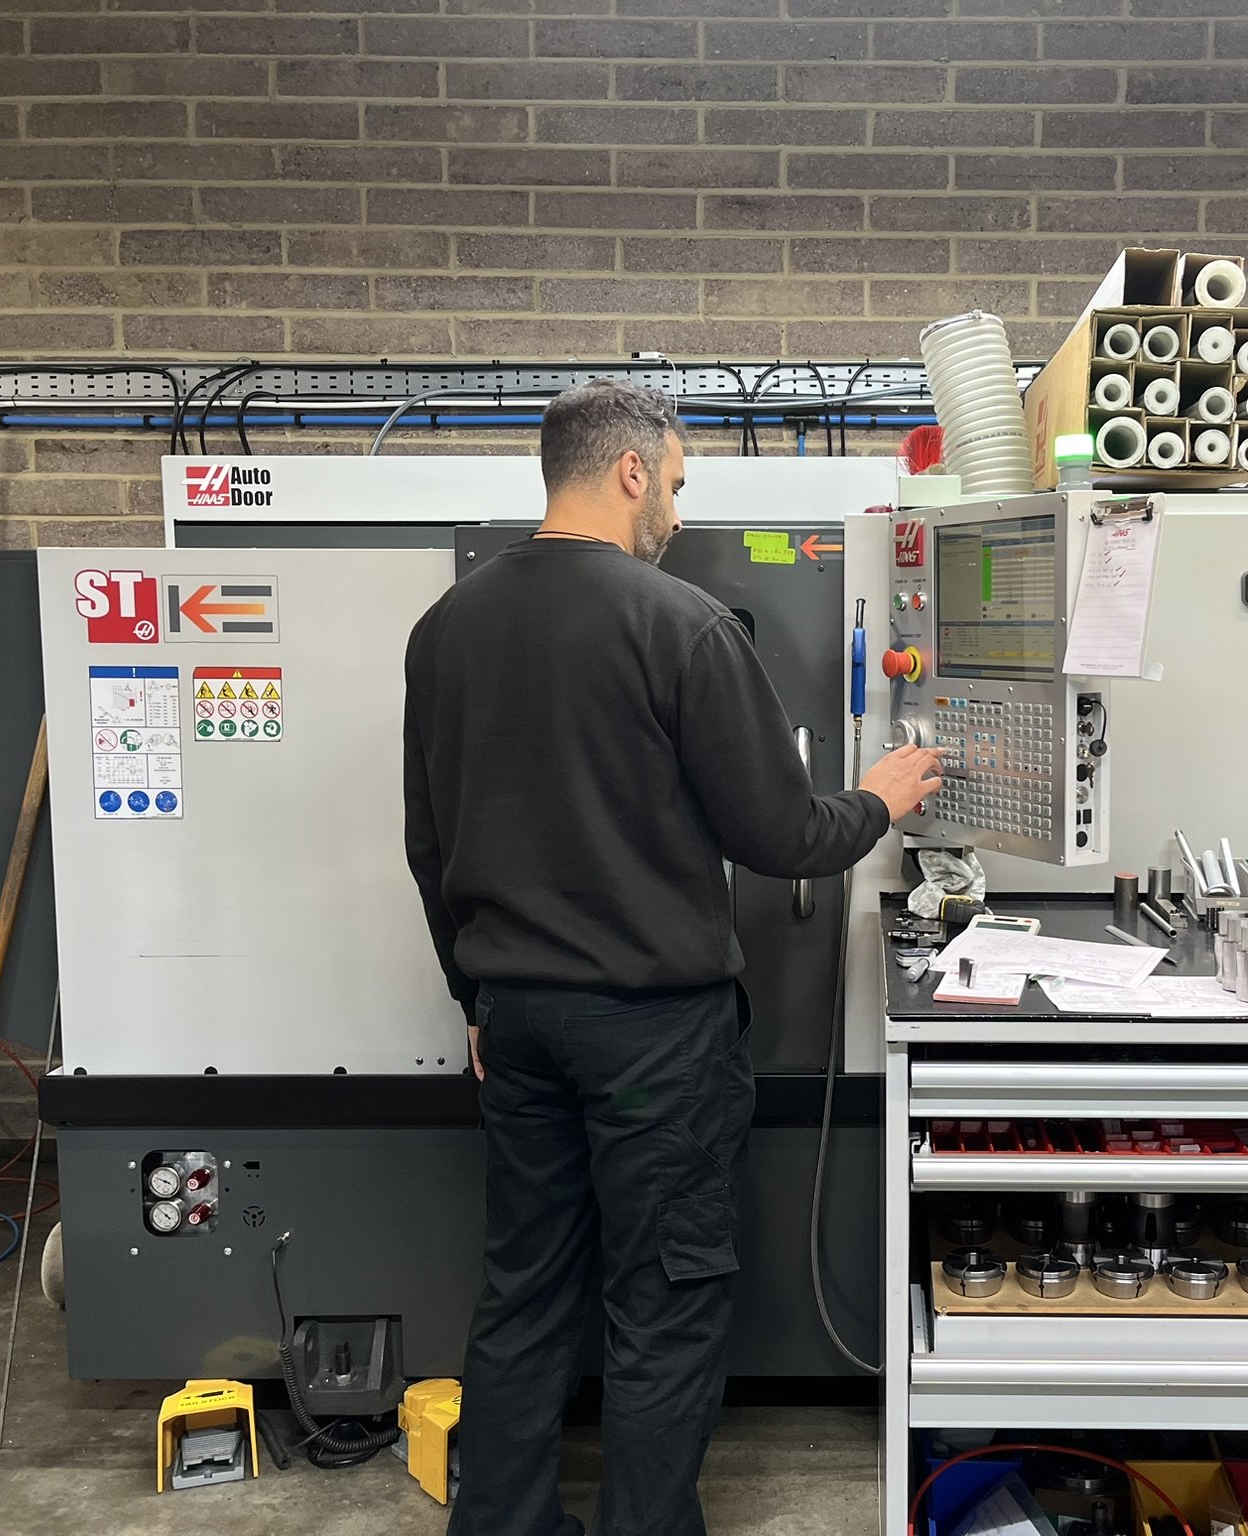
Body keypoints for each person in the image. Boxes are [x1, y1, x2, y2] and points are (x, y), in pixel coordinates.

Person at [403, 379, 943, 1536]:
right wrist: (878, 800)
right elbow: (777, 836)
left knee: (524, 1290)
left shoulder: (446, 627)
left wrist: (474, 997)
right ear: (631, 470)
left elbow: (428, 841)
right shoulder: (677, 623)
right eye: (679, 486)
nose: (680, 518)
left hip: (520, 1020)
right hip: (653, 1033)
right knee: (664, 1298)